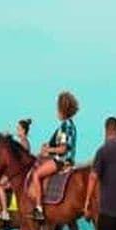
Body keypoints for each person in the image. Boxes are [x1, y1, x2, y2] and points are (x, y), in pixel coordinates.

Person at [28, 92, 79, 222]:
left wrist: (48, 150)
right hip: (68, 160)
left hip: (61, 161)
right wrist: (49, 148)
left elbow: (63, 148)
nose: (56, 112)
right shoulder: (71, 125)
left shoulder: (64, 126)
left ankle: (39, 209)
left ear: (62, 110)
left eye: (58, 108)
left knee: (36, 175)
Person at [0, 118, 32, 221]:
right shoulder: (24, 142)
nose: (17, 131)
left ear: (23, 131)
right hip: (21, 174)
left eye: (18, 129)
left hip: (20, 176)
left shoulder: (23, 143)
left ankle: (4, 212)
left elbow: (18, 163)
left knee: (0, 185)